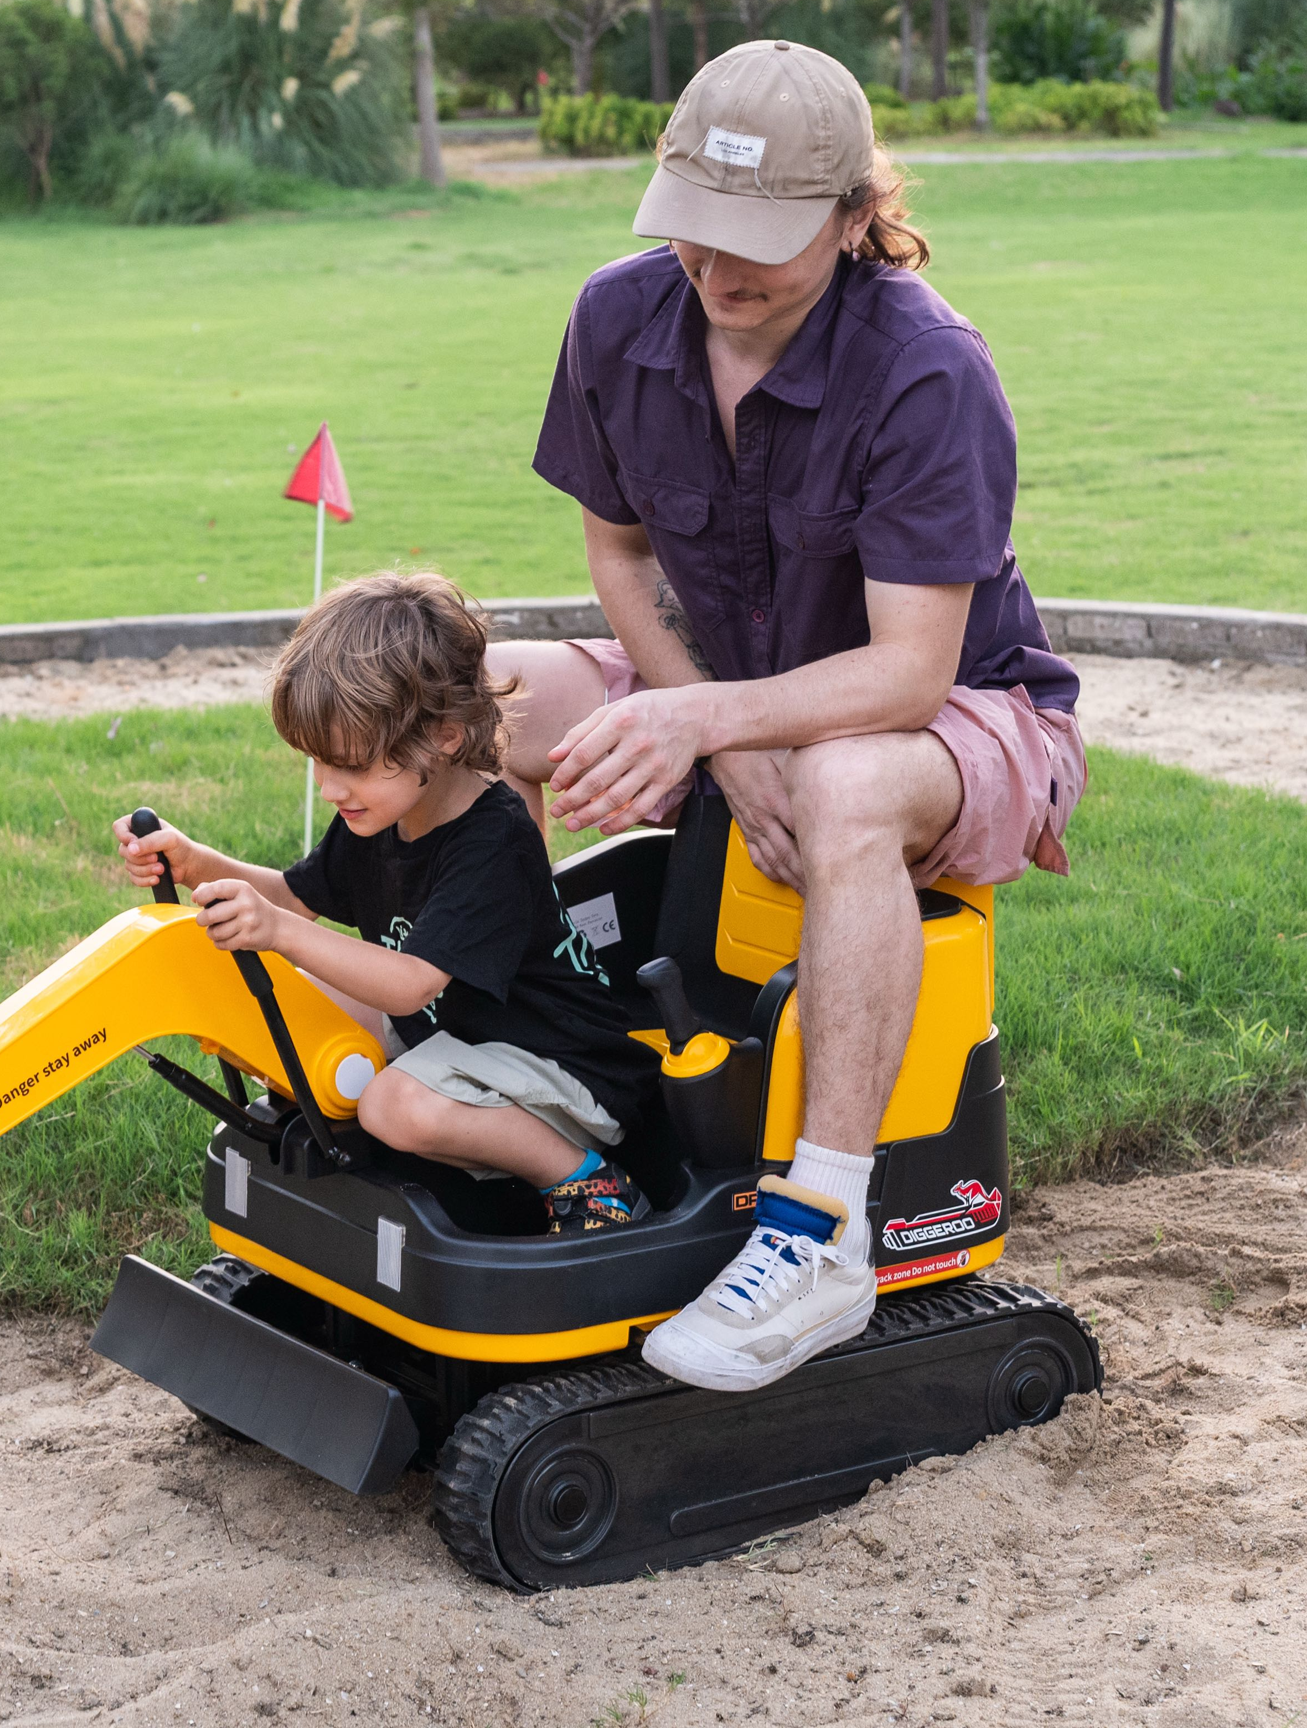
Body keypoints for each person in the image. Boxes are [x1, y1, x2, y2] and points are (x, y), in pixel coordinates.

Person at [491, 40, 1084, 1389]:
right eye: (690, 226)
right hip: (727, 682)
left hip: (961, 715)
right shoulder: (616, 317)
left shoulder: (927, 367)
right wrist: (712, 719)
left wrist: (720, 731)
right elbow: (620, 557)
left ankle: (820, 1232)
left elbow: (910, 674)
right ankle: (519, 1066)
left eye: (756, 237)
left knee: (843, 783)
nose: (715, 267)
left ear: (857, 213)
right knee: (475, 700)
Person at [113, 572, 658, 1234]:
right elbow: (294, 897)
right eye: (318, 762)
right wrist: (196, 861)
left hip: (564, 1070)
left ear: (445, 735)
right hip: (462, 1034)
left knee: (392, 1107)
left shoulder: (494, 840)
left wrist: (277, 930)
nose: (329, 787)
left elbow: (408, 984)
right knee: (289, 1000)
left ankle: (585, 1179)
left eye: (349, 763)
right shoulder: (381, 811)